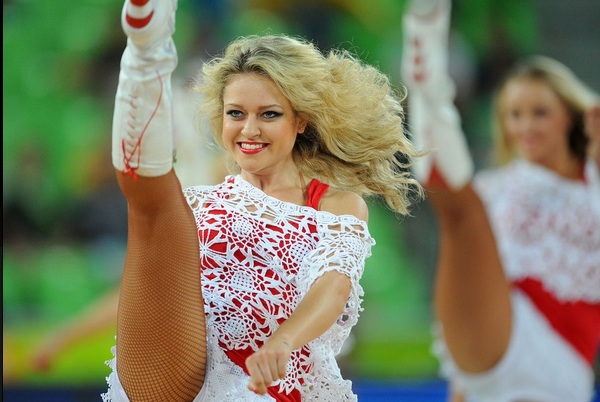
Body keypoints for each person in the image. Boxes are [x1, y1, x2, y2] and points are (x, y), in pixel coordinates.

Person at [103, 0, 423, 400]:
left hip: (264, 382)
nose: (249, 130)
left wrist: (284, 341)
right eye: (236, 113)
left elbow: (333, 287)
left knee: (162, 209)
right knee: (155, 208)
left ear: (299, 120)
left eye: (268, 115)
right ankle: (146, 50)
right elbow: (149, 289)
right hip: (181, 368)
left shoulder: (335, 205)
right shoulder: (198, 202)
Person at [401, 0, 600, 401]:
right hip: (493, 342)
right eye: (514, 115)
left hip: (564, 356)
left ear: (571, 117)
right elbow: (473, 280)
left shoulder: (592, 179)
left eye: (539, 113)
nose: (525, 126)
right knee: (460, 210)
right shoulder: (494, 186)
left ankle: (428, 76)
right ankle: (425, 65)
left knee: (462, 206)